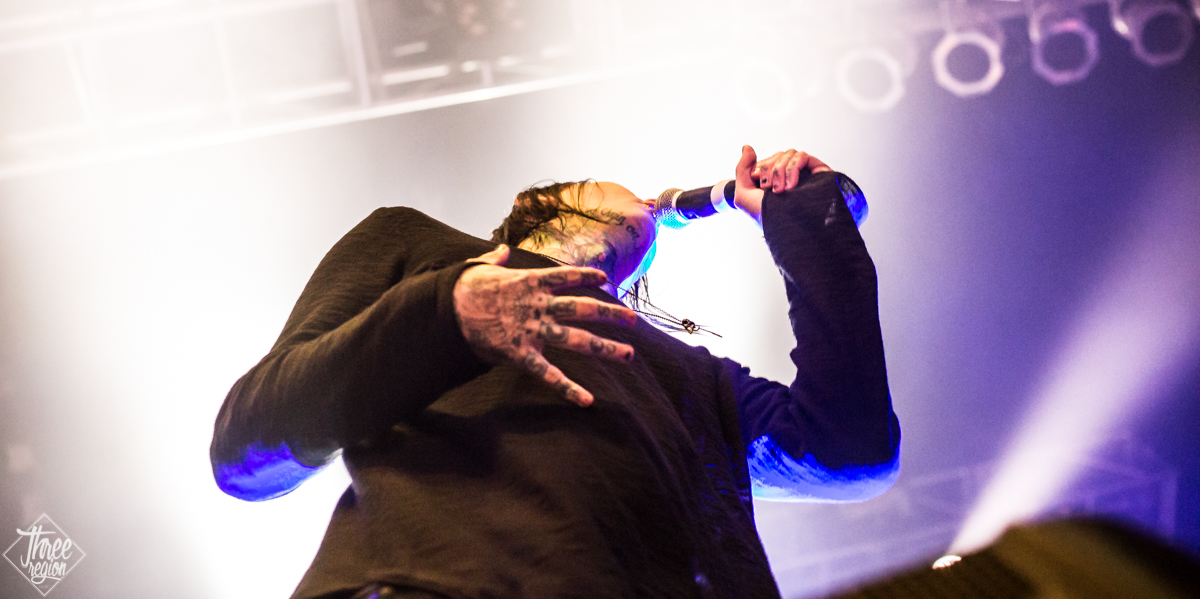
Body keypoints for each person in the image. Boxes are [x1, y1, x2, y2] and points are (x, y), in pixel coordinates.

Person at [210, 146, 901, 599]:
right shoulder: (425, 250)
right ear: (542, 203)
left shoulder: (693, 375)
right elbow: (245, 450)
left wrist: (805, 222)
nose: (650, 203)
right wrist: (445, 317)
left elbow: (852, 452)